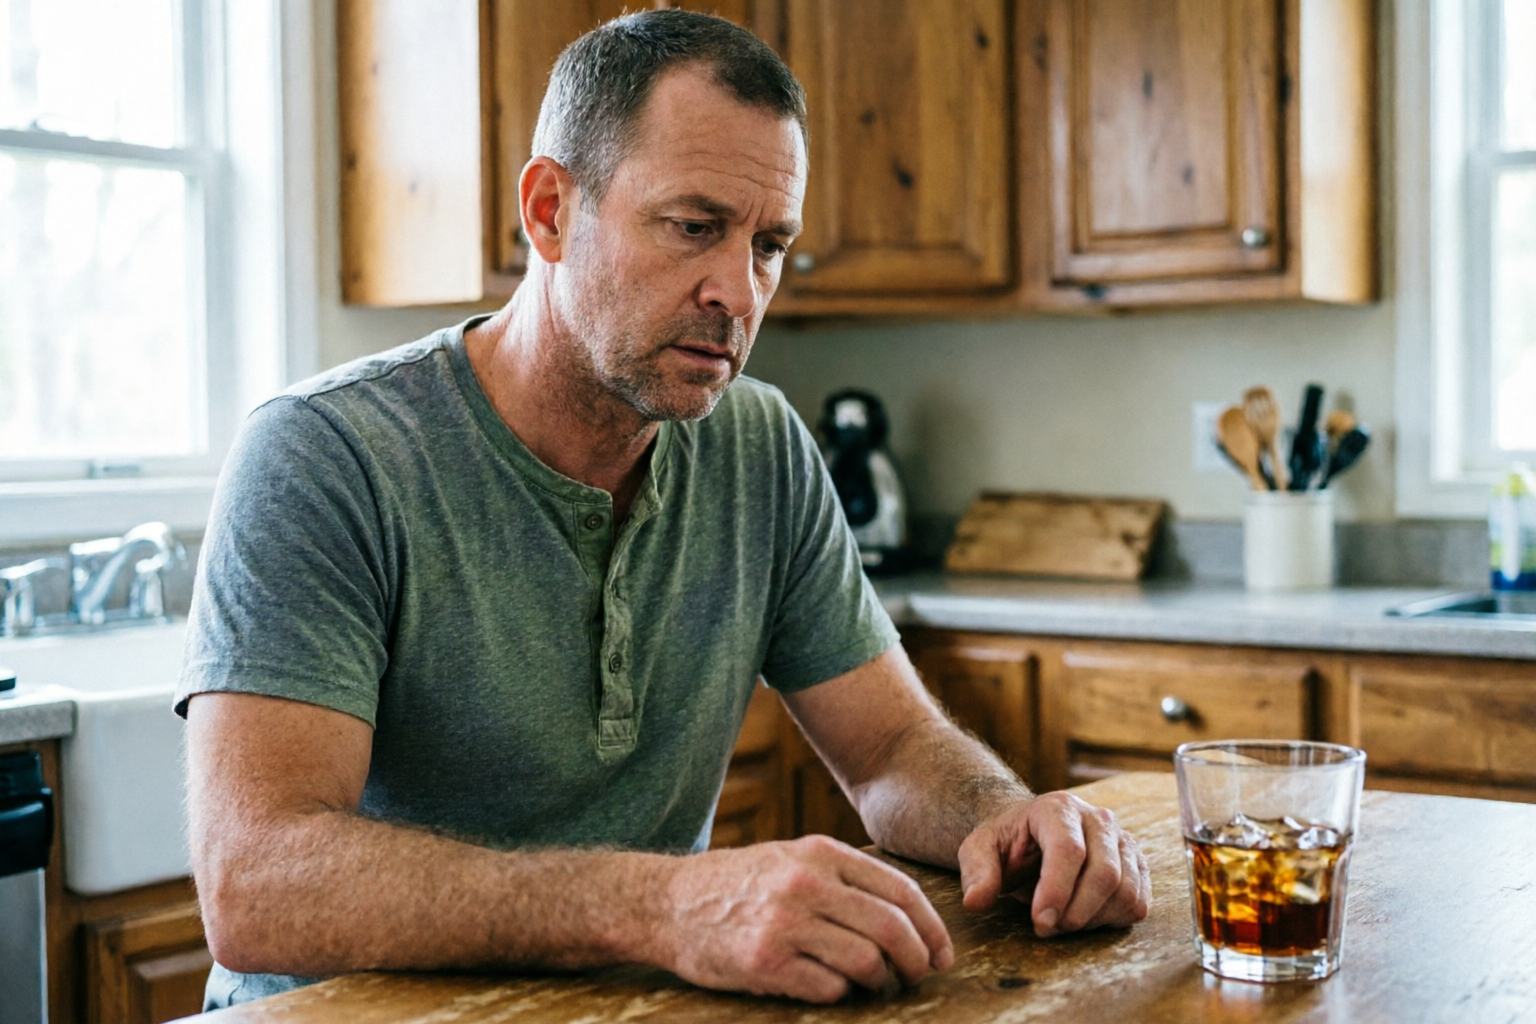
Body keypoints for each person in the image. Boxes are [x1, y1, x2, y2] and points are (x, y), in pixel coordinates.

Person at [176, 9, 1149, 1012]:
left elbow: (892, 749)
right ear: (551, 211)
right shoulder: (326, 454)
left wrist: (1004, 816)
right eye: (694, 227)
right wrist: (666, 904)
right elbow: (259, 883)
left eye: (769, 244)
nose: (740, 290)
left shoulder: (761, 446)